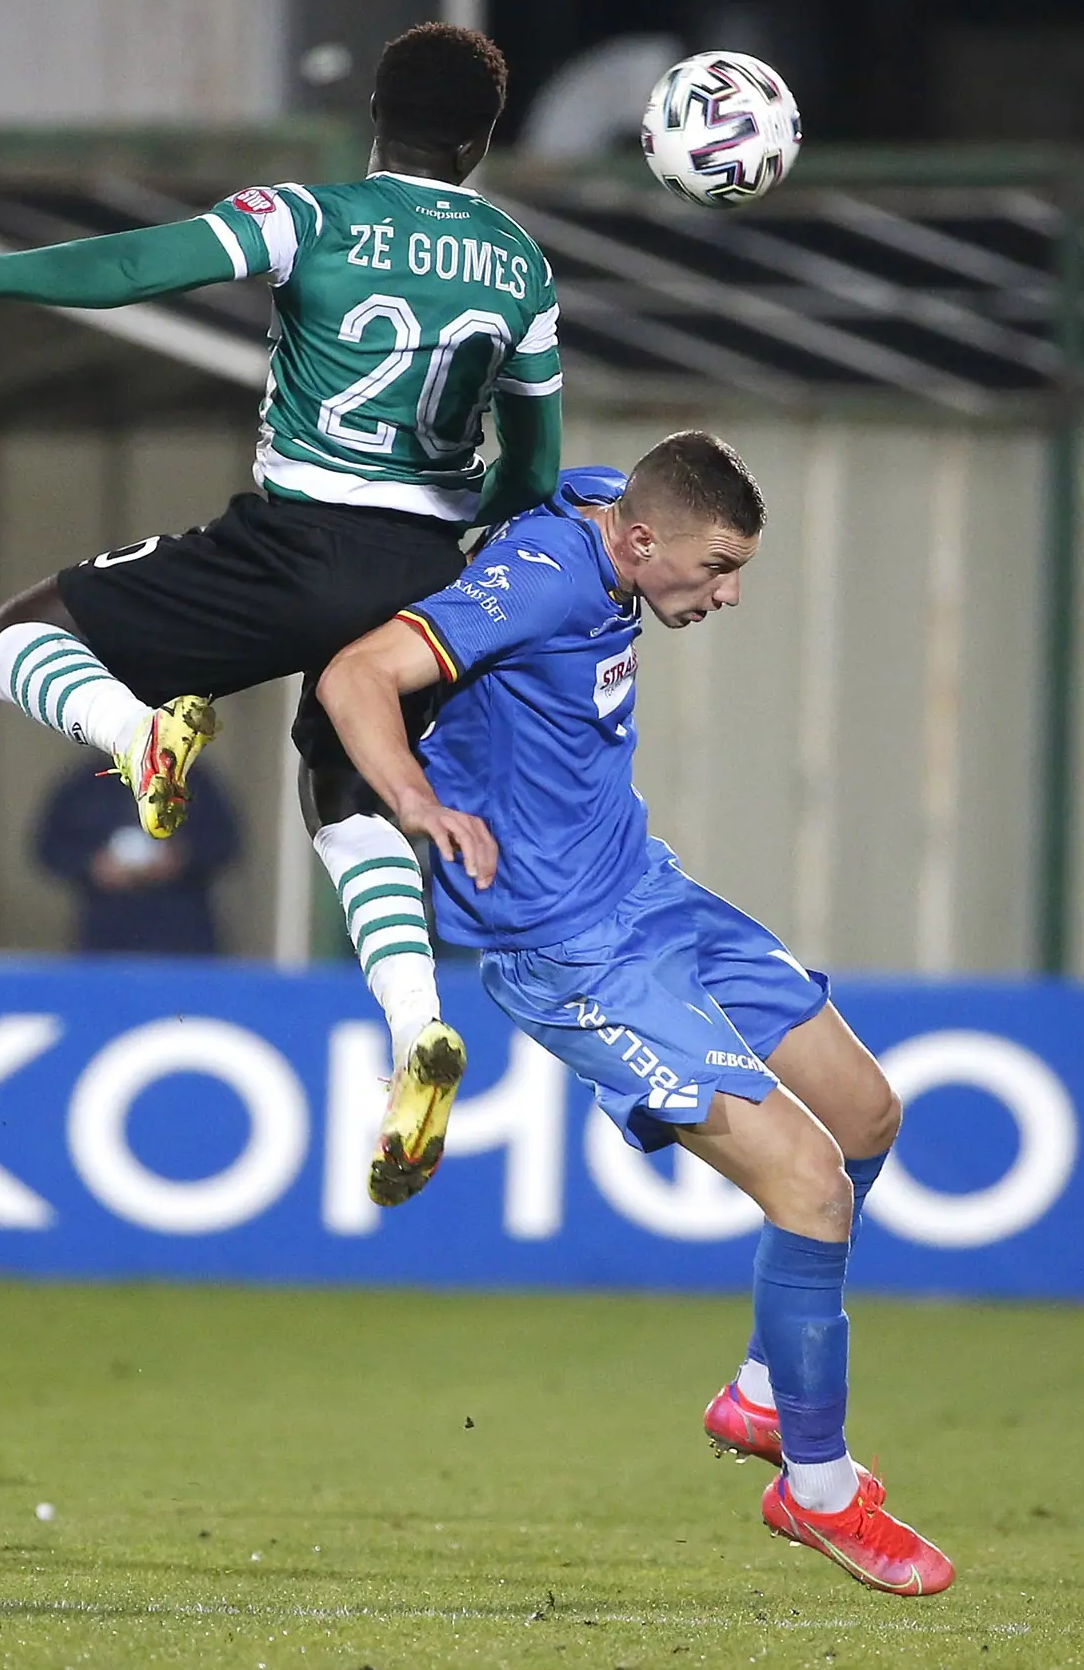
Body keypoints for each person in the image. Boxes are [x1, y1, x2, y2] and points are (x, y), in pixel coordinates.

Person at [0, 22, 563, 1208]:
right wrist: (452, 512)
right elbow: (532, 472)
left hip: (288, 544)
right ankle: (418, 1028)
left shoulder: (309, 217)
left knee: (17, 635)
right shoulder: (521, 269)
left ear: (374, 114)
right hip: (421, 575)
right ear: (481, 141)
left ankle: (137, 739)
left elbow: (139, 265)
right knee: (348, 794)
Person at [315, 432, 953, 1596]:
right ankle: (816, 1491)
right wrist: (413, 801)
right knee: (809, 1189)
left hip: (649, 894)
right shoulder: (543, 580)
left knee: (865, 1114)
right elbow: (354, 675)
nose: (728, 593)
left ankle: (761, 1396)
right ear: (646, 541)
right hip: (568, 955)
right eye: (717, 569)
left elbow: (572, 461)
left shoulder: (613, 511)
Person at [35, 760, 242, 955]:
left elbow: (225, 842)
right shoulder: (87, 784)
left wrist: (181, 856)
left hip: (183, 930)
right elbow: (51, 847)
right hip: (106, 931)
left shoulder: (192, 780)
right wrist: (93, 865)